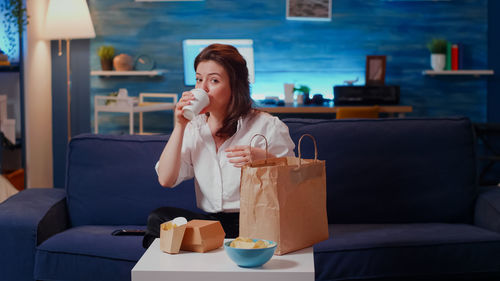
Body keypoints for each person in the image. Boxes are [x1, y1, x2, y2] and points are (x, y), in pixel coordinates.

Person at [143, 44, 295, 248]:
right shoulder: (194, 128)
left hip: (259, 221)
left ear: (235, 85)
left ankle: (213, 249)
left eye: (213, 80)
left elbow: (296, 182)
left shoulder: (267, 126)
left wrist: (268, 160)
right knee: (159, 219)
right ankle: (215, 248)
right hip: (214, 225)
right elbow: (166, 179)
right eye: (199, 79)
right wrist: (180, 125)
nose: (202, 88)